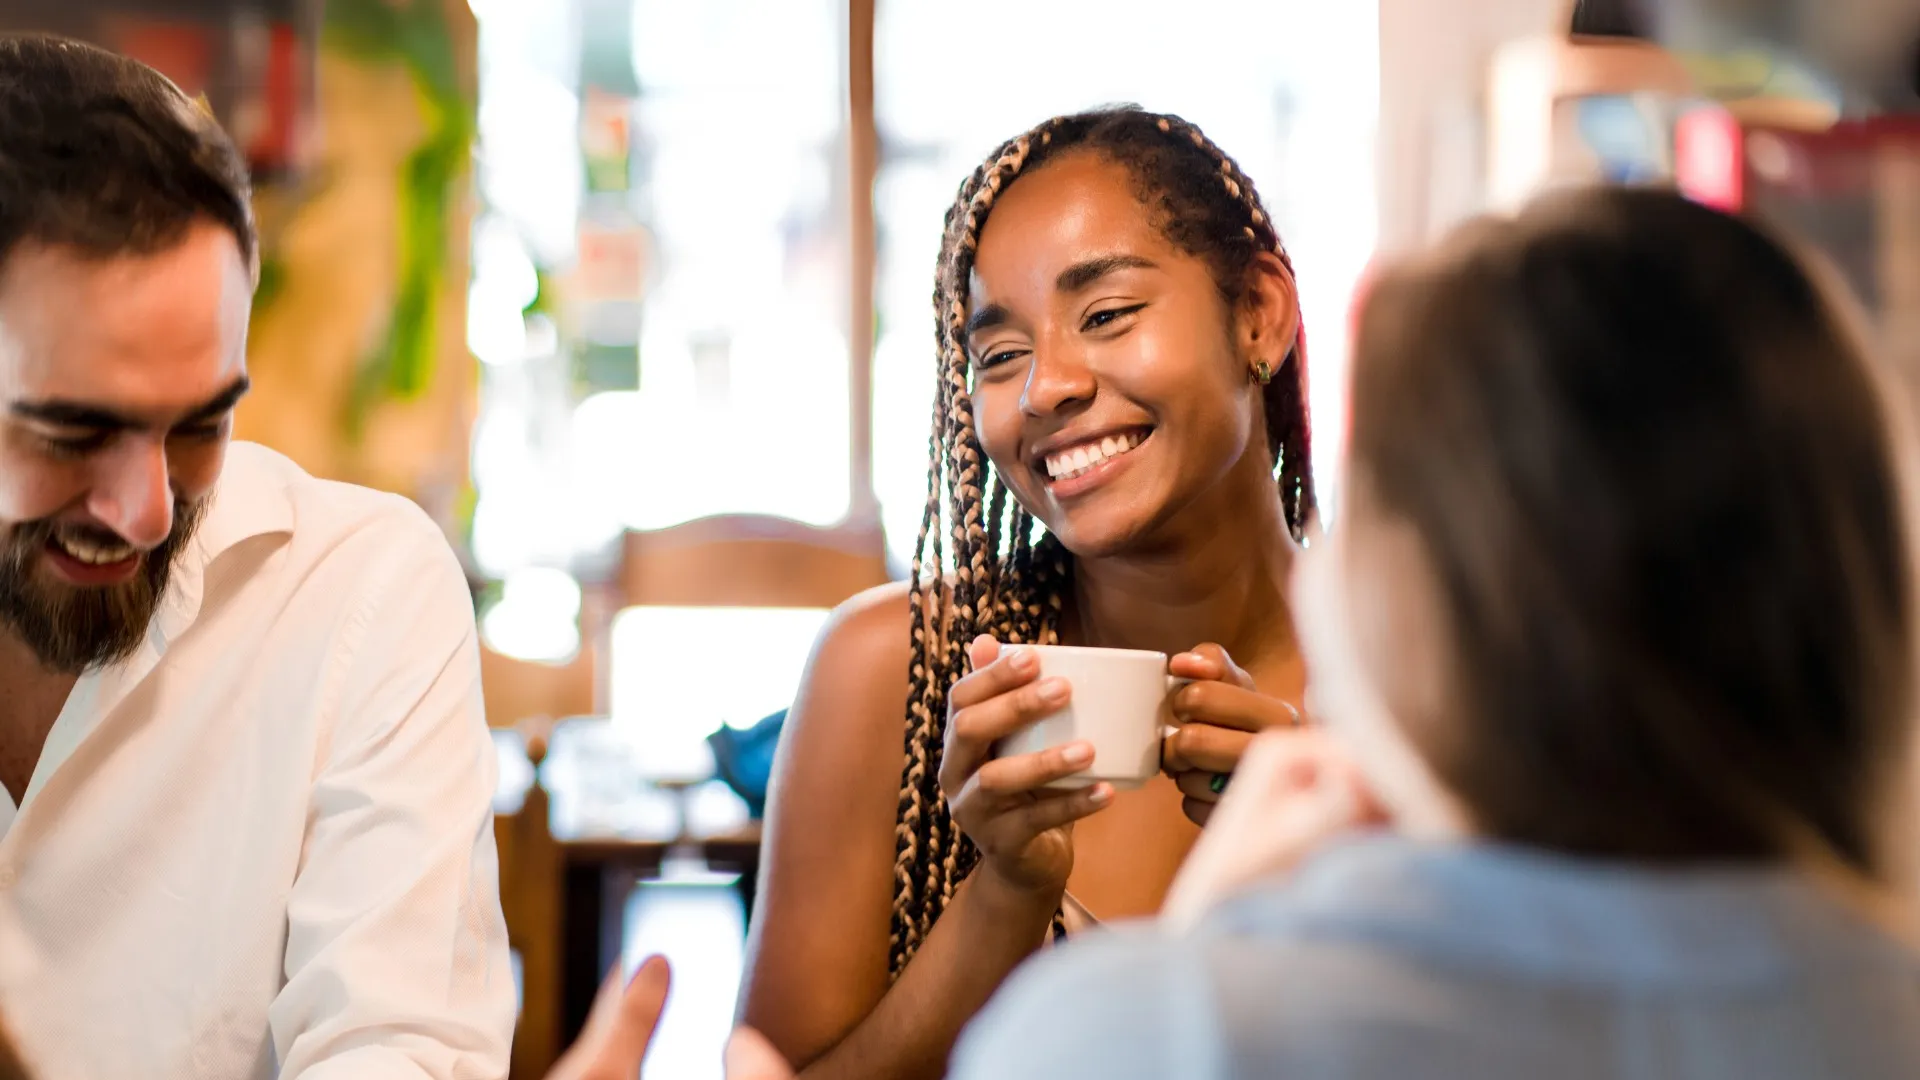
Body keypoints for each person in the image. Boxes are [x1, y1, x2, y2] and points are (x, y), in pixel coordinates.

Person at [950, 186, 1920, 1079]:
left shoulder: (1153, 1032)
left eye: (1366, 504)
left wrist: (1196, 964)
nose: (1047, 388)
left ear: (1416, 597)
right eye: (997, 354)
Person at [739, 105, 1315, 1077]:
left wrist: (1343, 888)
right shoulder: (900, 677)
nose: (1044, 387)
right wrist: (1004, 891)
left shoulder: (1433, 688)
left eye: (1107, 315)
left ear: (1258, 312)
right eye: (999, 356)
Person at [0, 35, 513, 1078]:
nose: (143, 510)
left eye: (199, 424)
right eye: (71, 431)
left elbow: (397, 1053)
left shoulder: (361, 598)